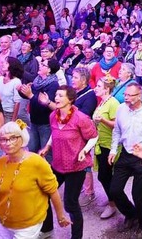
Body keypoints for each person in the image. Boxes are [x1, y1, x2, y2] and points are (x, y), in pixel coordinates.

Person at [0, 120, 72, 239]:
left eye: (13, 138)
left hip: (28, 226)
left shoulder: (36, 162)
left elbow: (53, 191)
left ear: (22, 138)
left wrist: (61, 216)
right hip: (4, 223)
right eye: (3, 139)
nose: (8, 143)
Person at [39, 85, 98, 239]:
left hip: (76, 167)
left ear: (70, 99)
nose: (56, 98)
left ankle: (76, 237)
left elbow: (93, 136)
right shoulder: (53, 116)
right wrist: (47, 146)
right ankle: (47, 230)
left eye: (60, 96)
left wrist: (84, 151)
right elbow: (54, 133)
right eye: (56, 95)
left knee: (70, 203)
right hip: (58, 165)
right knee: (43, 194)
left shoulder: (81, 118)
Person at [108, 81, 142, 238]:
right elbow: (117, 131)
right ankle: (132, 215)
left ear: (139, 96)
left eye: (129, 95)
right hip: (125, 154)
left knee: (138, 194)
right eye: (125, 94)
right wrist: (113, 150)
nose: (125, 98)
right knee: (115, 190)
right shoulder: (120, 109)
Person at [16, 58, 60, 153]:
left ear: (49, 70)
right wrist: (21, 90)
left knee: (44, 152)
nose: (39, 65)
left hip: (45, 123)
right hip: (34, 121)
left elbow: (44, 105)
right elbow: (28, 96)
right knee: (32, 150)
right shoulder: (37, 80)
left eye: (43, 65)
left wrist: (30, 95)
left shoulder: (53, 85)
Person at [92, 77, 120, 220]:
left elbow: (117, 125)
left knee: (105, 176)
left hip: (109, 145)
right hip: (100, 143)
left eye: (98, 86)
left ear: (106, 88)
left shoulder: (113, 103)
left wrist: (102, 120)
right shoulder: (103, 102)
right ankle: (112, 199)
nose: (95, 88)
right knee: (104, 176)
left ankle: (113, 204)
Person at [0, 57, 25, 124]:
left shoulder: (16, 81)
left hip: (9, 113)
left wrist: (13, 120)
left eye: (6, 63)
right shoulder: (0, 79)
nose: (3, 64)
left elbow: (17, 102)